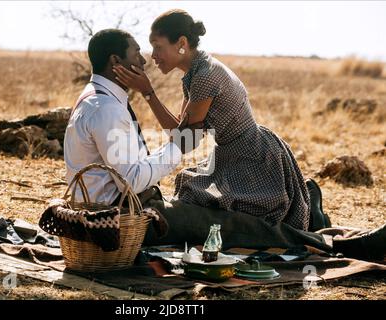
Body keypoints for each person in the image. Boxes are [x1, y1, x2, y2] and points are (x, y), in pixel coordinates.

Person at [112, 9, 385, 260]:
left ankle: (312, 218)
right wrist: (149, 95)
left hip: (251, 156)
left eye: (158, 47)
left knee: (251, 225)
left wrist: (149, 94)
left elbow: (185, 141)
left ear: (181, 43)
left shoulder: (205, 75)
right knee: (196, 194)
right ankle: (306, 203)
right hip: (238, 151)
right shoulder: (196, 71)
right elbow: (184, 133)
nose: (153, 56)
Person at [63, 29, 182, 205]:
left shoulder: (95, 97)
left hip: (100, 205)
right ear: (115, 60)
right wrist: (177, 148)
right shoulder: (107, 109)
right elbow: (131, 182)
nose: (143, 61)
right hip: (114, 216)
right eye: (136, 53)